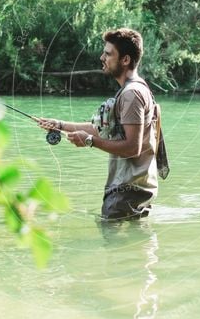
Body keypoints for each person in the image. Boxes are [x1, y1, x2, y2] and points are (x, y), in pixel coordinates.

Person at [36, 28, 159, 221]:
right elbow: (104, 131)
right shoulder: (135, 89)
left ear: (125, 60)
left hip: (126, 193)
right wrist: (59, 125)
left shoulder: (131, 94)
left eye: (108, 54)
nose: (102, 57)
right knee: (132, 248)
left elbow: (132, 147)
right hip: (132, 191)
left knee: (113, 247)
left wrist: (90, 141)